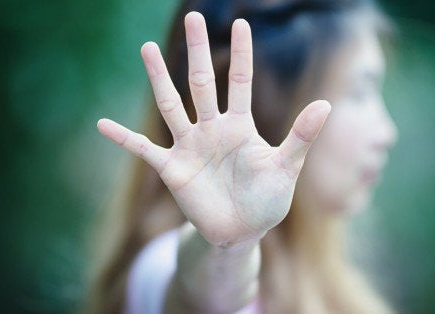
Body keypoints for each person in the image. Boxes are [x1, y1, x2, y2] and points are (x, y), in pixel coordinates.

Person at [88, 0, 398, 313]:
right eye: (360, 92)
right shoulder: (159, 265)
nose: (387, 133)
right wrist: (229, 247)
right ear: (272, 104)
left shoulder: (318, 272)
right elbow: (204, 296)